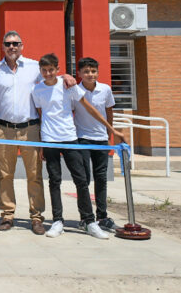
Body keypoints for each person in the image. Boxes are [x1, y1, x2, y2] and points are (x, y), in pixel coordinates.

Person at [0, 30, 76, 235]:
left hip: (30, 128)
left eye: (15, 43)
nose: (12, 47)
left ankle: (37, 217)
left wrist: (66, 76)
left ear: (22, 45)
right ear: (3, 46)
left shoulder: (34, 67)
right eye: (8, 43)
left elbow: (50, 77)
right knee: (5, 175)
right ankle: (7, 215)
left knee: (34, 175)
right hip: (4, 129)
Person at [32, 53, 125, 239]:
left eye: (51, 69)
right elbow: (42, 116)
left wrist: (111, 130)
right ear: (40, 71)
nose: (48, 73)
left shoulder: (68, 85)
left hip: (70, 138)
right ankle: (57, 220)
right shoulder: (37, 90)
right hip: (50, 140)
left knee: (81, 180)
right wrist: (42, 143)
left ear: (57, 69)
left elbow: (89, 107)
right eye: (44, 70)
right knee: (54, 181)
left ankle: (90, 221)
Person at [73, 57, 120, 232]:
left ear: (97, 73)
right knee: (83, 179)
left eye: (93, 71)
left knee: (101, 178)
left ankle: (102, 216)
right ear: (79, 73)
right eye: (86, 71)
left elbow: (109, 111)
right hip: (82, 138)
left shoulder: (105, 89)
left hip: (101, 139)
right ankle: (85, 217)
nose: (90, 74)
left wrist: (109, 134)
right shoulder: (75, 91)